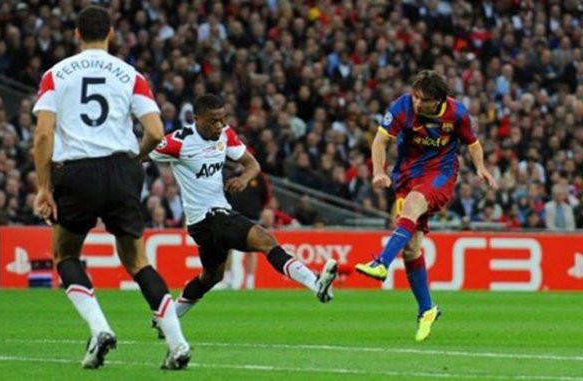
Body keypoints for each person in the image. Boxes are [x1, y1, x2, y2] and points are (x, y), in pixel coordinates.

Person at [31, 6, 189, 370]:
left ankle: (99, 328)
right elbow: (155, 131)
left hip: (78, 171)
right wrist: (134, 161)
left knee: (65, 256)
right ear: (111, 34)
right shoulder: (130, 74)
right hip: (121, 169)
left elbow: (43, 134)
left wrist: (43, 187)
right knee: (137, 260)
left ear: (75, 34)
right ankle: (178, 344)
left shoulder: (56, 75)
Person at [149, 94, 339, 328]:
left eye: (222, 119)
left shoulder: (225, 134)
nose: (219, 125)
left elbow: (253, 165)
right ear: (196, 119)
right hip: (208, 217)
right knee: (266, 240)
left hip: (209, 220)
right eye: (213, 121)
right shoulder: (179, 141)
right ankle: (316, 284)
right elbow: (141, 153)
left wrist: (244, 178)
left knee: (211, 277)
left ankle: (167, 318)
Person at [354, 70, 498, 341]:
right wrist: (378, 171)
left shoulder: (457, 113)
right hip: (407, 175)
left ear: (439, 101)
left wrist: (480, 167)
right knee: (411, 249)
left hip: (439, 173)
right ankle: (427, 309)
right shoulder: (402, 105)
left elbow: (473, 143)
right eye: (416, 97)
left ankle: (381, 262)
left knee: (412, 206)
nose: (418, 103)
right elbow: (380, 140)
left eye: (424, 100)